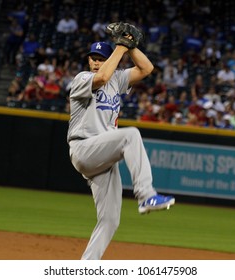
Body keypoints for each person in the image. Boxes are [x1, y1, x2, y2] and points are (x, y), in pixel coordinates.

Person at [67, 40, 175, 260]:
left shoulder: (117, 78)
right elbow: (101, 78)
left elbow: (146, 69)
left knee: (110, 220)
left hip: (103, 155)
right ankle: (146, 195)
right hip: (84, 147)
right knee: (131, 134)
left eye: (100, 59)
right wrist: (120, 47)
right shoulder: (83, 78)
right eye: (93, 58)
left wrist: (131, 45)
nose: (96, 62)